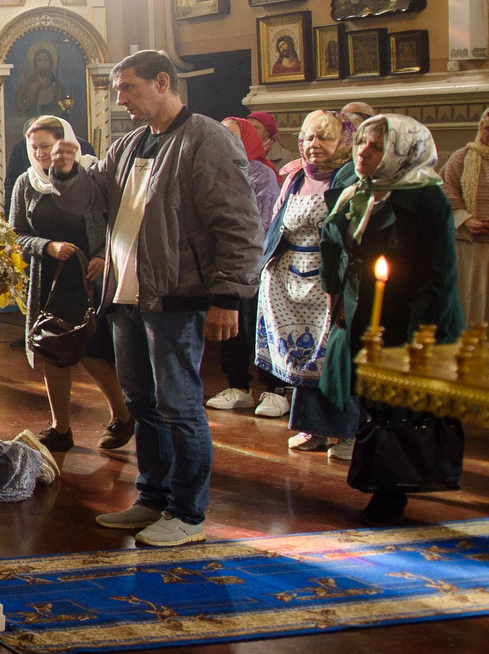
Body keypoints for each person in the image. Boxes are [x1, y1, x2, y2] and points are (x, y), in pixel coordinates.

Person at [81, 51, 263, 547]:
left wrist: (227, 296)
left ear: (163, 82)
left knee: (178, 406)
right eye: (117, 90)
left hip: (177, 297)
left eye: (128, 89)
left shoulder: (207, 139)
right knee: (142, 403)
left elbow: (240, 225)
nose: (121, 100)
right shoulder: (131, 143)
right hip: (127, 297)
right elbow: (94, 197)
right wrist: (63, 170)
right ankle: (152, 497)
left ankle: (188, 513)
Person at [321, 115, 466, 524]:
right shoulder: (357, 191)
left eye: (377, 147)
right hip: (364, 311)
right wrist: (336, 293)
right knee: (371, 402)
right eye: (363, 143)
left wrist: (420, 338)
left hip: (409, 318)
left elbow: (438, 278)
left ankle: (391, 493)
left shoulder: (427, 199)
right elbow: (333, 242)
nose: (363, 152)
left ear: (404, 152)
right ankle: (381, 480)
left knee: (398, 408)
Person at [7, 116, 131, 454]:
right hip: (49, 279)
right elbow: (15, 234)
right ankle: (61, 428)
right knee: (52, 349)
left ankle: (123, 415)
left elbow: (113, 225)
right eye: (34, 148)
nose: (40, 153)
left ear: (65, 145)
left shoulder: (88, 175)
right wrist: (47, 247)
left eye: (46, 146)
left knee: (89, 349)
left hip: (86, 278)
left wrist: (102, 255)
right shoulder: (26, 184)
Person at [259, 110, 355, 455]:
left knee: (334, 356)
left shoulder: (350, 178)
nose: (314, 145)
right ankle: (312, 428)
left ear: (343, 142)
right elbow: (277, 225)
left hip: (330, 280)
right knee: (304, 356)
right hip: (290, 280)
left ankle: (346, 432)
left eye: (324, 138)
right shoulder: (295, 178)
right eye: (309, 138)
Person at [209, 116, 286, 415]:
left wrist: (250, 263)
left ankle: (273, 389)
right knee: (232, 328)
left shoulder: (261, 175)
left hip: (256, 266)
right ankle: (238, 385)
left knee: (259, 327)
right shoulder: (214, 172)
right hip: (224, 262)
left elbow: (264, 226)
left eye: (233, 135)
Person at [442, 106, 489, 331]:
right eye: (487, 128)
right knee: (472, 306)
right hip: (469, 245)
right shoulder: (462, 156)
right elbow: (445, 188)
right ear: (480, 127)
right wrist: (467, 219)